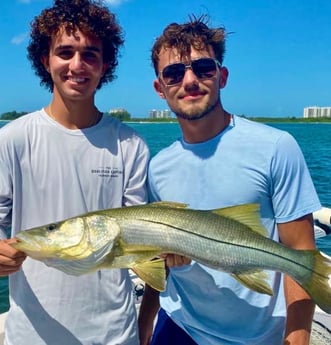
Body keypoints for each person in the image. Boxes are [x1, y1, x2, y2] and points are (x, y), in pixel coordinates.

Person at [138, 15, 321, 345]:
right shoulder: (158, 166)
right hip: (178, 325)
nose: (190, 80)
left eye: (203, 68)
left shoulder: (276, 147)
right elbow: (157, 262)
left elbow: (300, 253)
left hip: (258, 335)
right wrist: (145, 326)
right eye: (174, 73)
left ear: (222, 76)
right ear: (160, 89)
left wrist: (296, 339)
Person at [0, 1, 149, 344]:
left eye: (90, 55)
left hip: (113, 332)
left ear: (105, 64)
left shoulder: (130, 145)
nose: (76, 65)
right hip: (31, 334)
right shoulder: (12, 139)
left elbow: (138, 235)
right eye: (64, 52)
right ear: (45, 59)